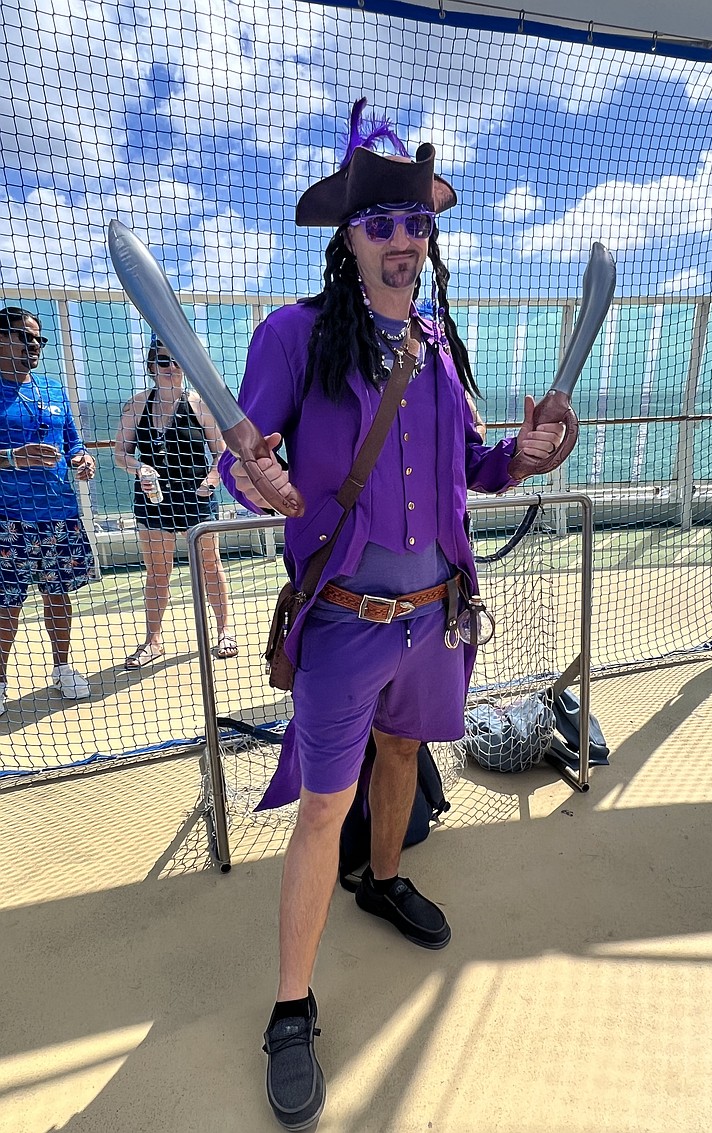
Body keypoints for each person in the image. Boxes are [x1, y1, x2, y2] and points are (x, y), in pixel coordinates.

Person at [218, 99, 575, 1130]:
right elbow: (249, 462)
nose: (404, 239)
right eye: (382, 223)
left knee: (401, 753)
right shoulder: (291, 336)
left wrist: (523, 457)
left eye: (417, 221)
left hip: (434, 615)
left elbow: (471, 468)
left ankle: (381, 880)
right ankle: (292, 1006)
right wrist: (253, 480)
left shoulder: (436, 341)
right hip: (342, 620)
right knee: (320, 806)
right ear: (349, 237)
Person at [113, 337, 237, 668]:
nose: (172, 367)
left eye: (178, 361)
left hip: (197, 499)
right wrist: (141, 468)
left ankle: (224, 631)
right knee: (158, 572)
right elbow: (120, 453)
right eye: (164, 361)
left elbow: (221, 453)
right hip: (153, 499)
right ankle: (153, 641)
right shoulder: (137, 405)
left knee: (210, 565)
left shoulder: (200, 404)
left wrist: (211, 482)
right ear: (151, 367)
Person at [0, 306, 97, 715]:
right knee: (7, 604)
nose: (35, 345)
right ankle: (0, 680)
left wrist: (82, 458)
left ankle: (62, 668)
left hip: (60, 514)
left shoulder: (53, 389)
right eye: (26, 337)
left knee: (58, 595)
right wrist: (13, 457)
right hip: (9, 520)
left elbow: (74, 441)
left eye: (40, 339)